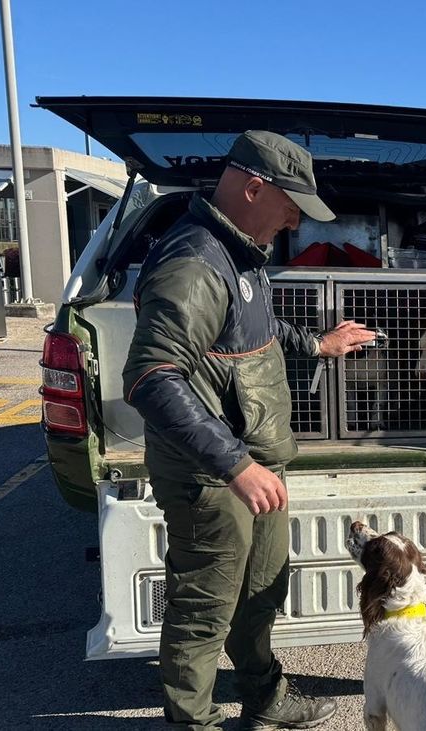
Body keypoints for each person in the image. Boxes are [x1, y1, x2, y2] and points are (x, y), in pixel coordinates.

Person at [123, 130, 376, 731]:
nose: (295, 221)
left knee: (260, 592)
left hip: (252, 464)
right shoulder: (194, 264)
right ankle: (194, 721)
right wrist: (234, 464)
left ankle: (264, 697)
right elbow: (152, 377)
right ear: (253, 188)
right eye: (290, 205)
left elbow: (254, 331)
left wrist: (317, 344)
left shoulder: (240, 253)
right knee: (204, 606)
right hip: (211, 476)